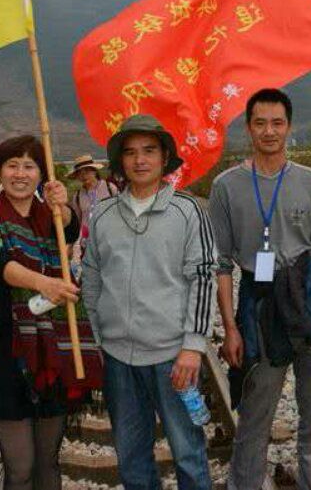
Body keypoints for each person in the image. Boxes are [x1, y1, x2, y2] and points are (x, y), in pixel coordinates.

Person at [209, 88, 311, 490]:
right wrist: (231, 328)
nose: (269, 131)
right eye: (260, 123)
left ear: (289, 127)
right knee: (254, 419)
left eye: (277, 123)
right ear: (248, 128)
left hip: (310, 299)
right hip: (259, 304)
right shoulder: (226, 186)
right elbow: (220, 264)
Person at [82, 114, 217, 490]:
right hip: (118, 359)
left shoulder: (187, 211)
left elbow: (203, 277)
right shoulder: (103, 214)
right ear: (120, 161)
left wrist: (193, 346)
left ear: (164, 157)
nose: (140, 160)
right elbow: (91, 277)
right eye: (130, 152)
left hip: (173, 358)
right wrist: (99, 337)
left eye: (149, 151)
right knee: (131, 458)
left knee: (188, 453)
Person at [0, 135, 103, 490]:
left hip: (53, 355)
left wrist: (63, 206)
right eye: (12, 165)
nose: (20, 174)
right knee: (21, 469)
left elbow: (70, 228)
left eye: (29, 166)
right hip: (5, 356)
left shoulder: (51, 218)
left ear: (41, 174)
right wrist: (46, 283)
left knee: (48, 464)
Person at [67, 154, 118, 269]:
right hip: (88, 244)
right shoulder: (77, 197)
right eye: (80, 173)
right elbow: (76, 223)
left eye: (87, 171)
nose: (83, 175)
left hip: (110, 240)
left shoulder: (110, 188)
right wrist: (71, 246)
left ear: (94, 171)